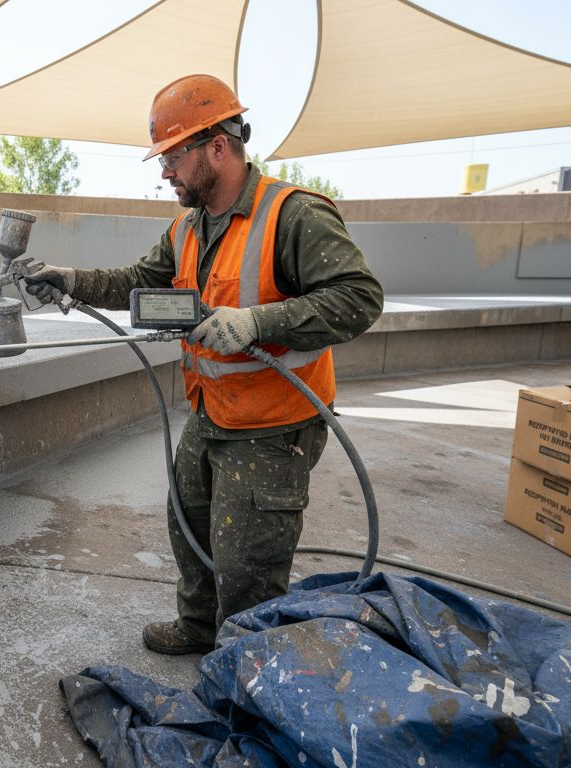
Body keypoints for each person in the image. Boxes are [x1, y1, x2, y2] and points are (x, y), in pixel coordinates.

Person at [23, 74, 384, 655]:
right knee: (189, 523)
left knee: (247, 561)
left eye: (172, 156)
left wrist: (256, 323)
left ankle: (248, 672)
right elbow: (141, 282)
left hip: (273, 426)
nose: (164, 171)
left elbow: (359, 297)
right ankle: (198, 628)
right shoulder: (188, 225)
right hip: (211, 412)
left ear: (217, 146)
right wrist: (70, 281)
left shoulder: (293, 216)